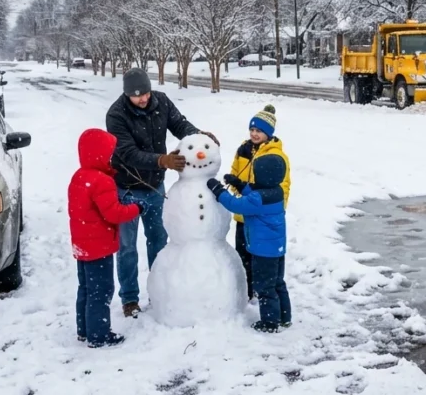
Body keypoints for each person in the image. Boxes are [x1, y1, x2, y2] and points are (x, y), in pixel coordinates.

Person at [105, 67, 217, 318]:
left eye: (145, 93)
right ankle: (130, 298)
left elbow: (180, 125)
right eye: (137, 95)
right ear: (127, 94)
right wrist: (162, 161)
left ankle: (159, 291)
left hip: (155, 187)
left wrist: (200, 137)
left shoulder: (161, 101)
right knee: (127, 247)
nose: (143, 98)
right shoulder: (116, 114)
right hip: (127, 189)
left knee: (158, 241)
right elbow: (128, 153)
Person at [68, 128, 142, 348]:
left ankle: (84, 329)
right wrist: (136, 208)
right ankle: (99, 335)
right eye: (109, 153)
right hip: (98, 247)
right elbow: (114, 214)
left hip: (83, 245)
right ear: (98, 153)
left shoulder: (80, 176)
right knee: (101, 290)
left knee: (86, 288)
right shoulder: (102, 181)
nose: (112, 158)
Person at [207, 150, 291, 333]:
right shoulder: (276, 191)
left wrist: (218, 191)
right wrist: (239, 184)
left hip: (263, 252)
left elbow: (235, 204)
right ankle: (284, 317)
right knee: (277, 282)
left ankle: (270, 322)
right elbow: (256, 193)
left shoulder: (258, 199)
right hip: (276, 249)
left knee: (265, 287)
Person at [224, 104, 290, 300]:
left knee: (260, 256)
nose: (254, 134)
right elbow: (236, 170)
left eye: (259, 131)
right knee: (242, 253)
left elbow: (283, 185)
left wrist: (275, 209)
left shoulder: (275, 156)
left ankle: (261, 289)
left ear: (268, 133)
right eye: (252, 129)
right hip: (243, 213)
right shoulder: (243, 149)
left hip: (262, 216)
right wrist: (235, 184)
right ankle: (246, 289)